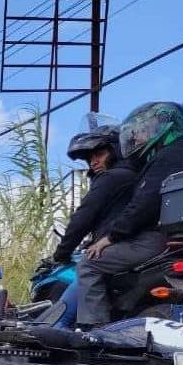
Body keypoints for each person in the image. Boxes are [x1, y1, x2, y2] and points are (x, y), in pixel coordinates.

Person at [78, 102, 183, 327]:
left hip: (155, 240)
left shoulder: (167, 156)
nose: (137, 136)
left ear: (161, 127)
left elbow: (144, 204)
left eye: (143, 130)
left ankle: (93, 330)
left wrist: (110, 237)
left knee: (88, 263)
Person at [44, 118, 137, 328]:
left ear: (116, 151)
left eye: (99, 154)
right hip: (134, 249)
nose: (93, 162)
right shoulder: (135, 177)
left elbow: (83, 217)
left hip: (116, 248)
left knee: (60, 318)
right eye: (90, 158)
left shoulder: (112, 178)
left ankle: (93, 331)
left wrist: (62, 253)